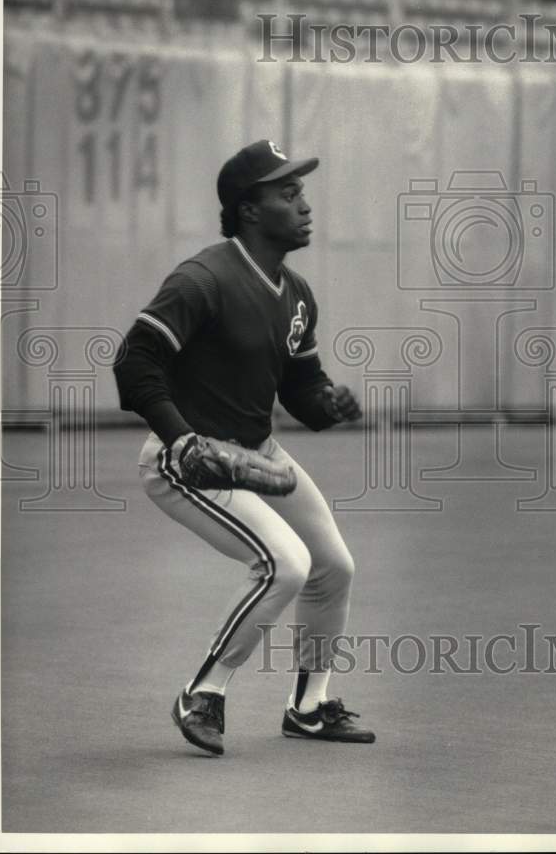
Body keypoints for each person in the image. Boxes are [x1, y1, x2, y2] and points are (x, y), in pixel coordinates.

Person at [113, 139, 375, 756]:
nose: (304, 205)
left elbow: (303, 392)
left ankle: (309, 709)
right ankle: (203, 692)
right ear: (249, 210)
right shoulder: (203, 280)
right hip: (185, 462)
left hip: (258, 454)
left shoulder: (297, 295)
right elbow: (135, 361)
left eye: (302, 191)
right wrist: (183, 439)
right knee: (285, 563)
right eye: (288, 194)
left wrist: (329, 404)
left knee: (334, 566)